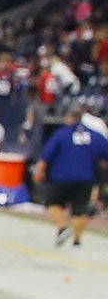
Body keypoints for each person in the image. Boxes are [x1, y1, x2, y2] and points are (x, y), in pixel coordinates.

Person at [34, 102, 108, 247]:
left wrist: (40, 171)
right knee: (79, 210)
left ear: (69, 118)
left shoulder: (62, 133)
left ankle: (63, 227)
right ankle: (77, 240)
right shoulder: (94, 135)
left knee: (53, 204)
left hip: (62, 177)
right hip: (86, 179)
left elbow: (46, 155)